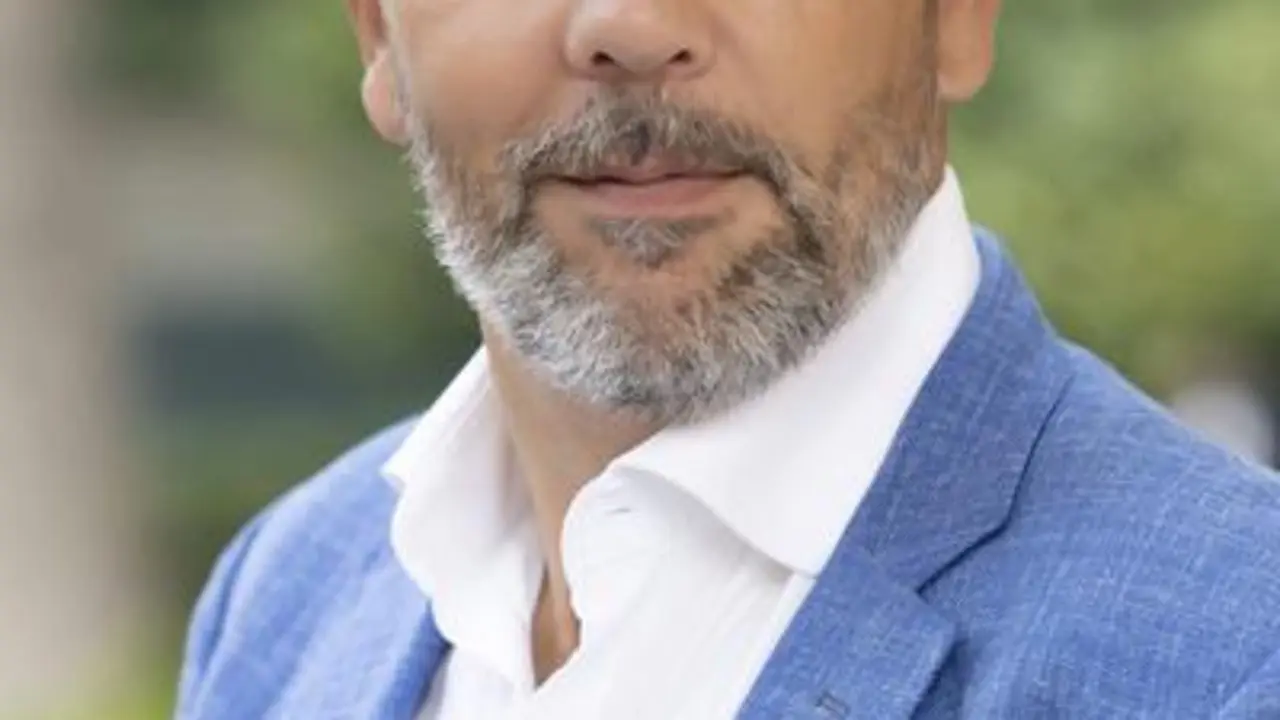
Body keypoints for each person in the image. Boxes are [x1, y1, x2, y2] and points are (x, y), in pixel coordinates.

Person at [175, 0, 1280, 717]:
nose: (630, 27)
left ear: (954, 18)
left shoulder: (1237, 655)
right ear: (378, 34)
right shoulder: (287, 596)